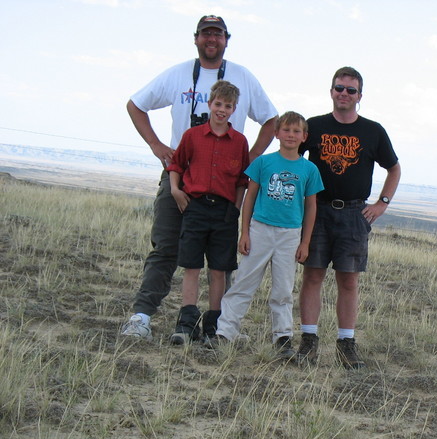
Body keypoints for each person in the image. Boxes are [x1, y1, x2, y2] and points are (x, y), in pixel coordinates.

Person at [120, 15, 278, 341]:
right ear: (195, 38)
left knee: (221, 259)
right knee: (165, 247)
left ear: (226, 39)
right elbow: (136, 105)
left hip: (222, 187)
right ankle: (141, 316)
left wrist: (250, 160)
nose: (212, 39)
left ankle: (221, 326)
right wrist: (155, 144)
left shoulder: (243, 78)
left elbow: (271, 120)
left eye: (217, 34)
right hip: (180, 177)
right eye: (206, 34)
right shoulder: (178, 74)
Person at [297, 66, 401, 369]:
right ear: (331, 91)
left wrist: (382, 203)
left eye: (350, 90)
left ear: (360, 96)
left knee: (349, 281)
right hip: (317, 210)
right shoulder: (313, 126)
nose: (344, 94)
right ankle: (308, 342)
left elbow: (393, 169)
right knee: (312, 275)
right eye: (339, 88)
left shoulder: (373, 131)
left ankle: (346, 345)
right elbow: (292, 157)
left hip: (355, 213)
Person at [212, 111, 323, 357]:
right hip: (260, 229)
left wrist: (305, 241)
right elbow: (250, 196)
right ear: (276, 134)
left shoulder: (309, 169)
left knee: (283, 289)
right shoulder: (263, 163)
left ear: (304, 136)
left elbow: (311, 205)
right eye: (286, 130)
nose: (291, 135)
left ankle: (282, 338)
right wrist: (245, 232)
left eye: (296, 131)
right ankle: (225, 333)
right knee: (244, 282)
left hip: (290, 234)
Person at [166, 80, 249, 345]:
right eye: (218, 104)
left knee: (218, 269)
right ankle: (187, 323)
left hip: (224, 212)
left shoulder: (239, 142)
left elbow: (240, 182)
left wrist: (235, 209)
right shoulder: (192, 136)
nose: (222, 110)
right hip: (195, 207)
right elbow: (177, 165)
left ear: (234, 109)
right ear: (210, 104)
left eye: (228, 106)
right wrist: (176, 191)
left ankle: (214, 325)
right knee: (191, 266)